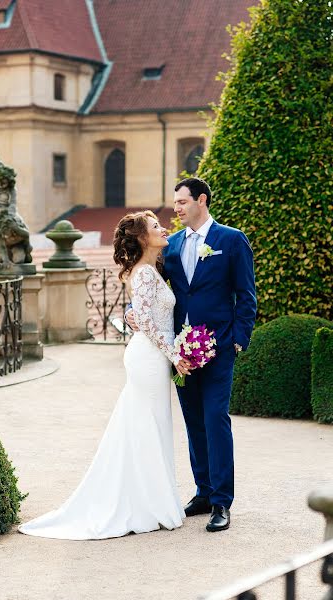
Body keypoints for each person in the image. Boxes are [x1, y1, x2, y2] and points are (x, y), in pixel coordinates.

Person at [18, 210, 190, 540]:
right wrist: (174, 355)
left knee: (150, 425)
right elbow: (146, 320)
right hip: (149, 357)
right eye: (155, 226)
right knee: (147, 426)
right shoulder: (143, 275)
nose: (163, 227)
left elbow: (143, 315)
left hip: (153, 356)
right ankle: (150, 505)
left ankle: (154, 501)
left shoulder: (151, 271)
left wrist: (169, 351)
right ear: (142, 238)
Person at [126, 178, 257, 532]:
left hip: (219, 348)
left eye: (183, 202)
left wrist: (238, 340)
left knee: (216, 419)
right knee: (194, 422)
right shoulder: (172, 245)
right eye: (175, 203)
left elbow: (246, 295)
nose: (177, 209)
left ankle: (221, 502)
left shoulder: (231, 240)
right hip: (180, 351)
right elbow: (145, 282)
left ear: (202, 200)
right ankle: (202, 492)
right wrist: (129, 310)